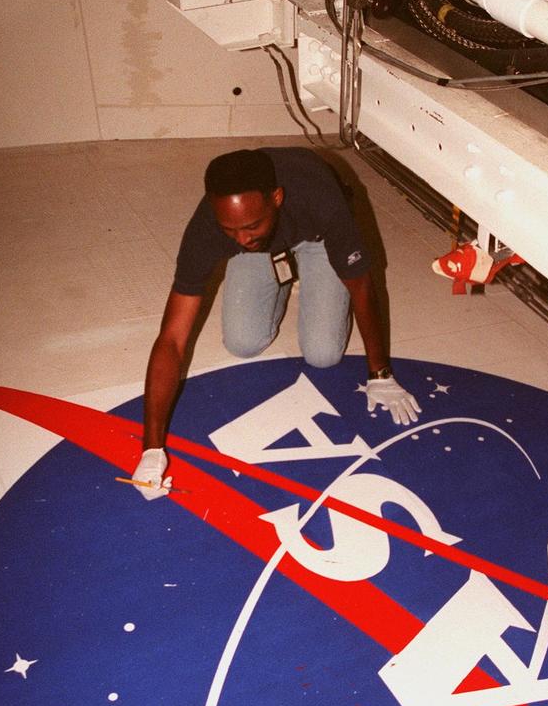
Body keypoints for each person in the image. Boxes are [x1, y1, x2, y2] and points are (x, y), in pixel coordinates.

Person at [132, 146, 420, 499]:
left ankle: (302, 267)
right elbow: (172, 339)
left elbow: (361, 286)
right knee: (242, 342)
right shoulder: (212, 229)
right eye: (230, 229)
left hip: (317, 239)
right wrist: (152, 448)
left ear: (277, 198)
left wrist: (380, 374)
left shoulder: (321, 197)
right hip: (263, 251)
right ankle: (280, 273)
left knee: (323, 353)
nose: (241, 237)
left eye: (251, 225)